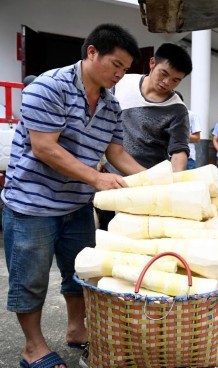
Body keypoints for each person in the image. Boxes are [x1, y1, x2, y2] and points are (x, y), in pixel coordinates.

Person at [1, 24, 145, 368]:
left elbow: (117, 154)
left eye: (125, 70)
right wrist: (97, 178)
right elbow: (44, 147)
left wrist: (161, 181)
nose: (120, 75)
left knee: (81, 273)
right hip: (31, 204)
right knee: (31, 278)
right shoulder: (49, 87)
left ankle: (76, 330)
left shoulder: (111, 104)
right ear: (92, 52)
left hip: (76, 204)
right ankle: (33, 348)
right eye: (116, 65)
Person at [106, 42, 193, 173]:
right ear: (152, 63)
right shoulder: (122, 84)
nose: (166, 82)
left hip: (150, 180)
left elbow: (179, 149)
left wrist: (177, 178)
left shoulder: (177, 109)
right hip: (112, 173)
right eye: (164, 73)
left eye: (175, 80)